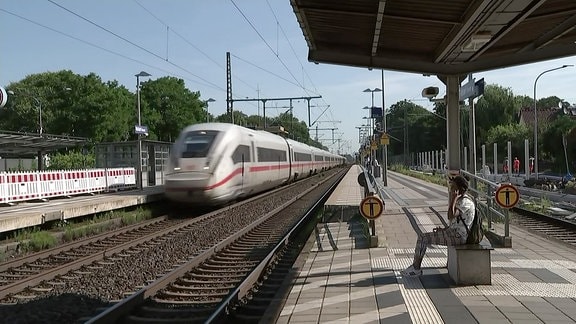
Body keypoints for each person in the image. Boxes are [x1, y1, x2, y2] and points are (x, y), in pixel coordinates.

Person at [401, 175, 476, 277]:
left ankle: (416, 269)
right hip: (453, 233)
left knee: (423, 238)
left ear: (458, 189)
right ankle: (415, 266)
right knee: (423, 236)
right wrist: (445, 230)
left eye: (453, 187)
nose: (451, 190)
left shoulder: (465, 202)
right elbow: (456, 222)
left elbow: (450, 216)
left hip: (459, 237)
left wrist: (453, 199)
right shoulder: (461, 200)